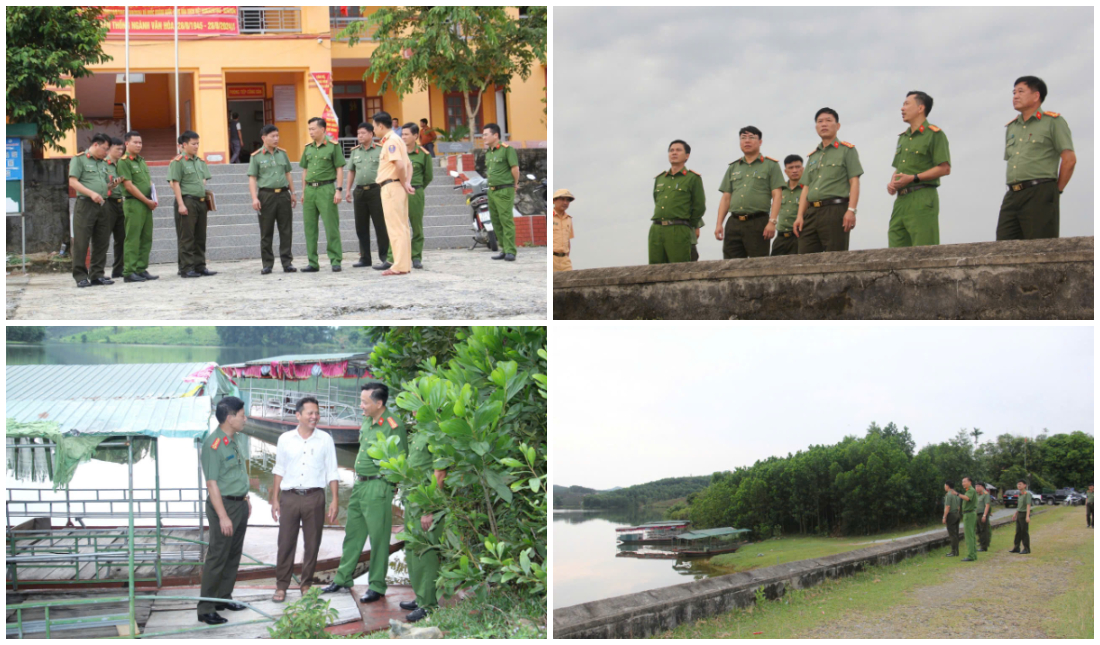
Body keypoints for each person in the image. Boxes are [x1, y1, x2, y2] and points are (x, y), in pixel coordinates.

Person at [322, 383, 407, 602]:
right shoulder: (368, 420)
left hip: (378, 486)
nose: (360, 406)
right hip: (359, 484)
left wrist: (388, 486)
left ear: (379, 403)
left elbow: (400, 460)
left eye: (365, 402)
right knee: (353, 533)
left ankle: (377, 585)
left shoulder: (392, 425)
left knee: (378, 538)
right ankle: (342, 578)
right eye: (360, 401)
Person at [270, 397, 339, 602]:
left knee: (312, 543)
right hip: (289, 498)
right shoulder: (285, 439)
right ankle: (281, 586)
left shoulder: (325, 439)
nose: (314, 416)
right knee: (285, 543)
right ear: (298, 415)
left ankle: (306, 584)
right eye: (310, 413)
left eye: (316, 413)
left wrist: (335, 499)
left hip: (314, 497)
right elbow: (278, 469)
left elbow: (332, 471)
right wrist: (274, 499)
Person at [997, 75, 1076, 240]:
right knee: (1003, 248)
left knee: (1040, 248)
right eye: (1013, 92)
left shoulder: (1053, 122)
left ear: (1036, 95)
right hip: (1012, 194)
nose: (1015, 96)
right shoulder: (1012, 128)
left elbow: (1069, 159)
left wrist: (1056, 190)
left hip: (1040, 191)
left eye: (1020, 91)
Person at [197, 396, 251, 625]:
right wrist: (222, 516)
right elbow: (212, 484)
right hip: (224, 506)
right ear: (230, 418)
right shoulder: (213, 445)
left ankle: (222, 597)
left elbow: (235, 473)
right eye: (242, 415)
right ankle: (206, 607)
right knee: (218, 556)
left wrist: (246, 497)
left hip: (239, 504)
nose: (245, 419)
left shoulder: (234, 438)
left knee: (233, 554)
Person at [793, 108, 862, 254]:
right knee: (804, 259)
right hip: (811, 213)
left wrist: (851, 210)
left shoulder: (846, 150)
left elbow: (854, 181)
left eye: (828, 120)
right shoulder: (812, 156)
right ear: (816, 127)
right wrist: (799, 216)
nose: (824, 124)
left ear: (838, 126)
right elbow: (806, 188)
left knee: (835, 258)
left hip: (835, 211)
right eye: (820, 121)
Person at [887, 91, 952, 247]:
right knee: (895, 251)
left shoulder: (934, 134)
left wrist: (913, 178)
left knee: (924, 250)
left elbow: (945, 168)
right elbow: (899, 168)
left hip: (922, 197)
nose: (902, 108)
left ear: (920, 108)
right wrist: (892, 183)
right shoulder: (903, 138)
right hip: (901, 200)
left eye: (907, 104)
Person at [713, 126, 784, 259]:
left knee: (759, 265)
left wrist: (772, 222)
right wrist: (719, 224)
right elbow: (726, 198)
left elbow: (777, 195)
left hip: (758, 222)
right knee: (730, 265)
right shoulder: (733, 167)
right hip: (733, 223)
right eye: (743, 138)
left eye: (752, 138)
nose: (747, 141)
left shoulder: (771, 165)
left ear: (760, 141)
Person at [401, 432, 447, 623]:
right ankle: (421, 597)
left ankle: (428, 604)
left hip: (426, 506)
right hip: (413, 503)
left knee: (426, 556)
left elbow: (440, 473)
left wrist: (430, 507)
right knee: (414, 553)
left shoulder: (437, 432)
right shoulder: (421, 432)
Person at [248, 124, 297, 275]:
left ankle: (287, 263)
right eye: (273, 136)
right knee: (266, 231)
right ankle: (267, 264)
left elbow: (288, 174)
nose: (276, 139)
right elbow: (252, 178)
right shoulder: (256, 157)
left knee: (286, 230)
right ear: (264, 138)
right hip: (266, 196)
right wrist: (255, 198)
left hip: (283, 194)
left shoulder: (282, 154)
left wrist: (293, 192)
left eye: (277, 136)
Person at [299, 116, 346, 272]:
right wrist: (304, 191)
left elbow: (339, 168)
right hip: (310, 190)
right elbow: (304, 170)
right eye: (309, 129)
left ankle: (335, 260)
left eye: (313, 129)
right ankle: (312, 262)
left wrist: (339, 190)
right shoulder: (308, 148)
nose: (311, 132)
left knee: (331, 226)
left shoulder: (333, 146)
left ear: (323, 129)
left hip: (326, 189)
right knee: (310, 228)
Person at [372, 111, 415, 276]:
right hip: (397, 186)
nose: (374, 130)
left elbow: (401, 166)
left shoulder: (391, 141)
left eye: (375, 127)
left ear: (381, 126)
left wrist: (404, 183)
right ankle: (402, 264)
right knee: (402, 227)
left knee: (396, 228)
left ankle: (399, 265)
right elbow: (408, 165)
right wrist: (406, 183)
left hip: (391, 186)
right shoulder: (398, 140)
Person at [167, 131, 215, 278]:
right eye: (193, 144)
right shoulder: (178, 162)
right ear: (184, 145)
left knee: (200, 236)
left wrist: (200, 187)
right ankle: (186, 268)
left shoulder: (199, 162)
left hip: (201, 201)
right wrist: (181, 204)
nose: (196, 146)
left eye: (197, 144)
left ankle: (199, 265)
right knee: (186, 237)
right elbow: (174, 183)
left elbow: (204, 178)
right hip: (187, 200)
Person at [68, 133, 113, 288]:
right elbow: (73, 182)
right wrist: (91, 193)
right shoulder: (79, 159)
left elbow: (104, 184)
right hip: (85, 204)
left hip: (102, 204)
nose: (106, 152)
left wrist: (111, 186)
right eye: (104, 149)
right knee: (81, 241)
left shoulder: (103, 163)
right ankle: (80, 276)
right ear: (95, 145)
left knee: (102, 240)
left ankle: (97, 274)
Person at [650, 140, 705, 264]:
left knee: (680, 269)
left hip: (679, 228)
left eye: (678, 150)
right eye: (671, 150)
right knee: (654, 270)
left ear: (687, 156)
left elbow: (699, 206)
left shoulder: (692, 178)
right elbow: (657, 200)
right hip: (657, 229)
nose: (674, 153)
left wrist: (688, 225)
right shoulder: (660, 179)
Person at [345, 122, 390, 270]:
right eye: (358, 134)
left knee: (380, 226)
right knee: (361, 226)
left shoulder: (380, 150)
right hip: (359, 192)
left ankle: (384, 257)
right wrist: (347, 190)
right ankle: (365, 257)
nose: (360, 136)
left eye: (363, 133)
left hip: (376, 190)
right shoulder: (355, 152)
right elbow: (351, 171)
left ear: (371, 134)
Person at [389, 123, 433, 269]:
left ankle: (416, 257)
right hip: (398, 191)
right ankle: (392, 257)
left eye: (407, 134)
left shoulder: (423, 154)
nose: (404, 137)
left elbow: (428, 176)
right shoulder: (397, 151)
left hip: (415, 192)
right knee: (396, 225)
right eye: (402, 134)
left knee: (416, 226)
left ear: (415, 136)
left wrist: (417, 188)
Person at [116, 131, 159, 283]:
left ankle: (141, 268)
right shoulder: (124, 162)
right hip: (134, 203)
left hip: (147, 203)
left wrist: (153, 197)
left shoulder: (141, 160)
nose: (139, 145)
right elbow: (129, 186)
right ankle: (129, 271)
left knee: (146, 237)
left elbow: (148, 181)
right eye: (135, 142)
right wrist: (146, 201)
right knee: (133, 238)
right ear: (127, 143)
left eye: (140, 142)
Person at [483, 123, 520, 261]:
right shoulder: (489, 152)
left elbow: (515, 168)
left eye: (486, 134)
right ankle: (504, 249)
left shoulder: (507, 150)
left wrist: (515, 184)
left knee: (506, 220)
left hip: (504, 189)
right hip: (492, 191)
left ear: (496, 135)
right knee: (496, 220)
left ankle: (511, 250)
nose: (483, 137)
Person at [103, 137, 127, 279]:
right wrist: (112, 185)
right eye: (117, 149)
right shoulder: (103, 164)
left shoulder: (122, 164)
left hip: (121, 203)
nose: (120, 152)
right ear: (109, 149)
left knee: (122, 238)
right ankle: (98, 270)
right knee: (103, 238)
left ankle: (119, 269)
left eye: (121, 149)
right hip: (108, 203)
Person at [771, 155, 804, 256]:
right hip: (781, 237)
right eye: (791, 168)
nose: (794, 170)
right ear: (785, 171)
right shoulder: (780, 190)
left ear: (803, 169)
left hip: (800, 237)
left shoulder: (808, 189)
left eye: (797, 167)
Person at [552, 189, 575, 271]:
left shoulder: (568, 219)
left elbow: (568, 240)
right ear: (554, 200)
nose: (565, 203)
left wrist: (566, 256)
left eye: (568, 200)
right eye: (562, 199)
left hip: (565, 260)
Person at [1009, 479, 1032, 554]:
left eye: (1020, 484)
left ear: (1025, 485)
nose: (1019, 486)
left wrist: (1027, 516)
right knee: (1018, 531)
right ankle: (1016, 547)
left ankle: (1026, 548)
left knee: (1024, 532)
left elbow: (1028, 505)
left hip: (1024, 513)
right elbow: (1019, 506)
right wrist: (1015, 514)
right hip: (1019, 514)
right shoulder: (1020, 494)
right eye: (1018, 484)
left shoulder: (1027, 493)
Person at [959, 476, 977, 562]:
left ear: (970, 482)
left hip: (969, 514)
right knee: (971, 535)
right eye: (962, 482)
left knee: (969, 535)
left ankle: (971, 555)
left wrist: (957, 494)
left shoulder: (971, 490)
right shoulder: (969, 491)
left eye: (964, 481)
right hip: (969, 514)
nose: (963, 483)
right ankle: (973, 554)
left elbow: (967, 498)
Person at [942, 481, 960, 557]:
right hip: (957, 514)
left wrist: (944, 517)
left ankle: (953, 551)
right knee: (956, 533)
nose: (944, 487)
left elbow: (947, 507)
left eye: (945, 485)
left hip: (951, 515)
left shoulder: (949, 495)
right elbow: (959, 506)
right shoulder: (956, 494)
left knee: (952, 534)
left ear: (947, 486)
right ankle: (956, 551)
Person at [975, 482, 992, 552]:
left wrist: (985, 515)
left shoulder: (985, 494)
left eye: (978, 486)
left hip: (982, 514)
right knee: (979, 530)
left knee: (983, 530)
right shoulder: (977, 495)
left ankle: (984, 546)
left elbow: (987, 505)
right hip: (977, 514)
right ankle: (981, 543)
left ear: (982, 487)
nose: (977, 488)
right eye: (976, 486)